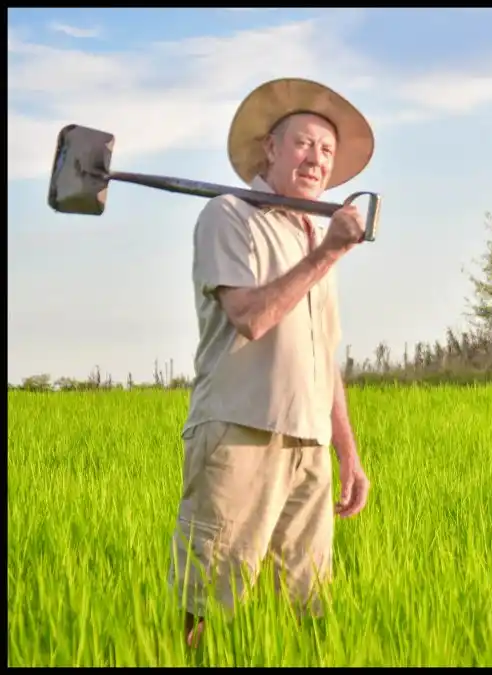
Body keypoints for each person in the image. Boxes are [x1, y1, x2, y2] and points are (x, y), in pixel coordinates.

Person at [168, 78, 376, 648]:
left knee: (307, 609)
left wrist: (347, 452)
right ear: (271, 150)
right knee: (209, 598)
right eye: (304, 144)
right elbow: (250, 318)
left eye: (327, 152)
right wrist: (330, 252)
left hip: (308, 446)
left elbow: (323, 355)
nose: (316, 159)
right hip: (241, 431)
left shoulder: (314, 234)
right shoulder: (230, 216)